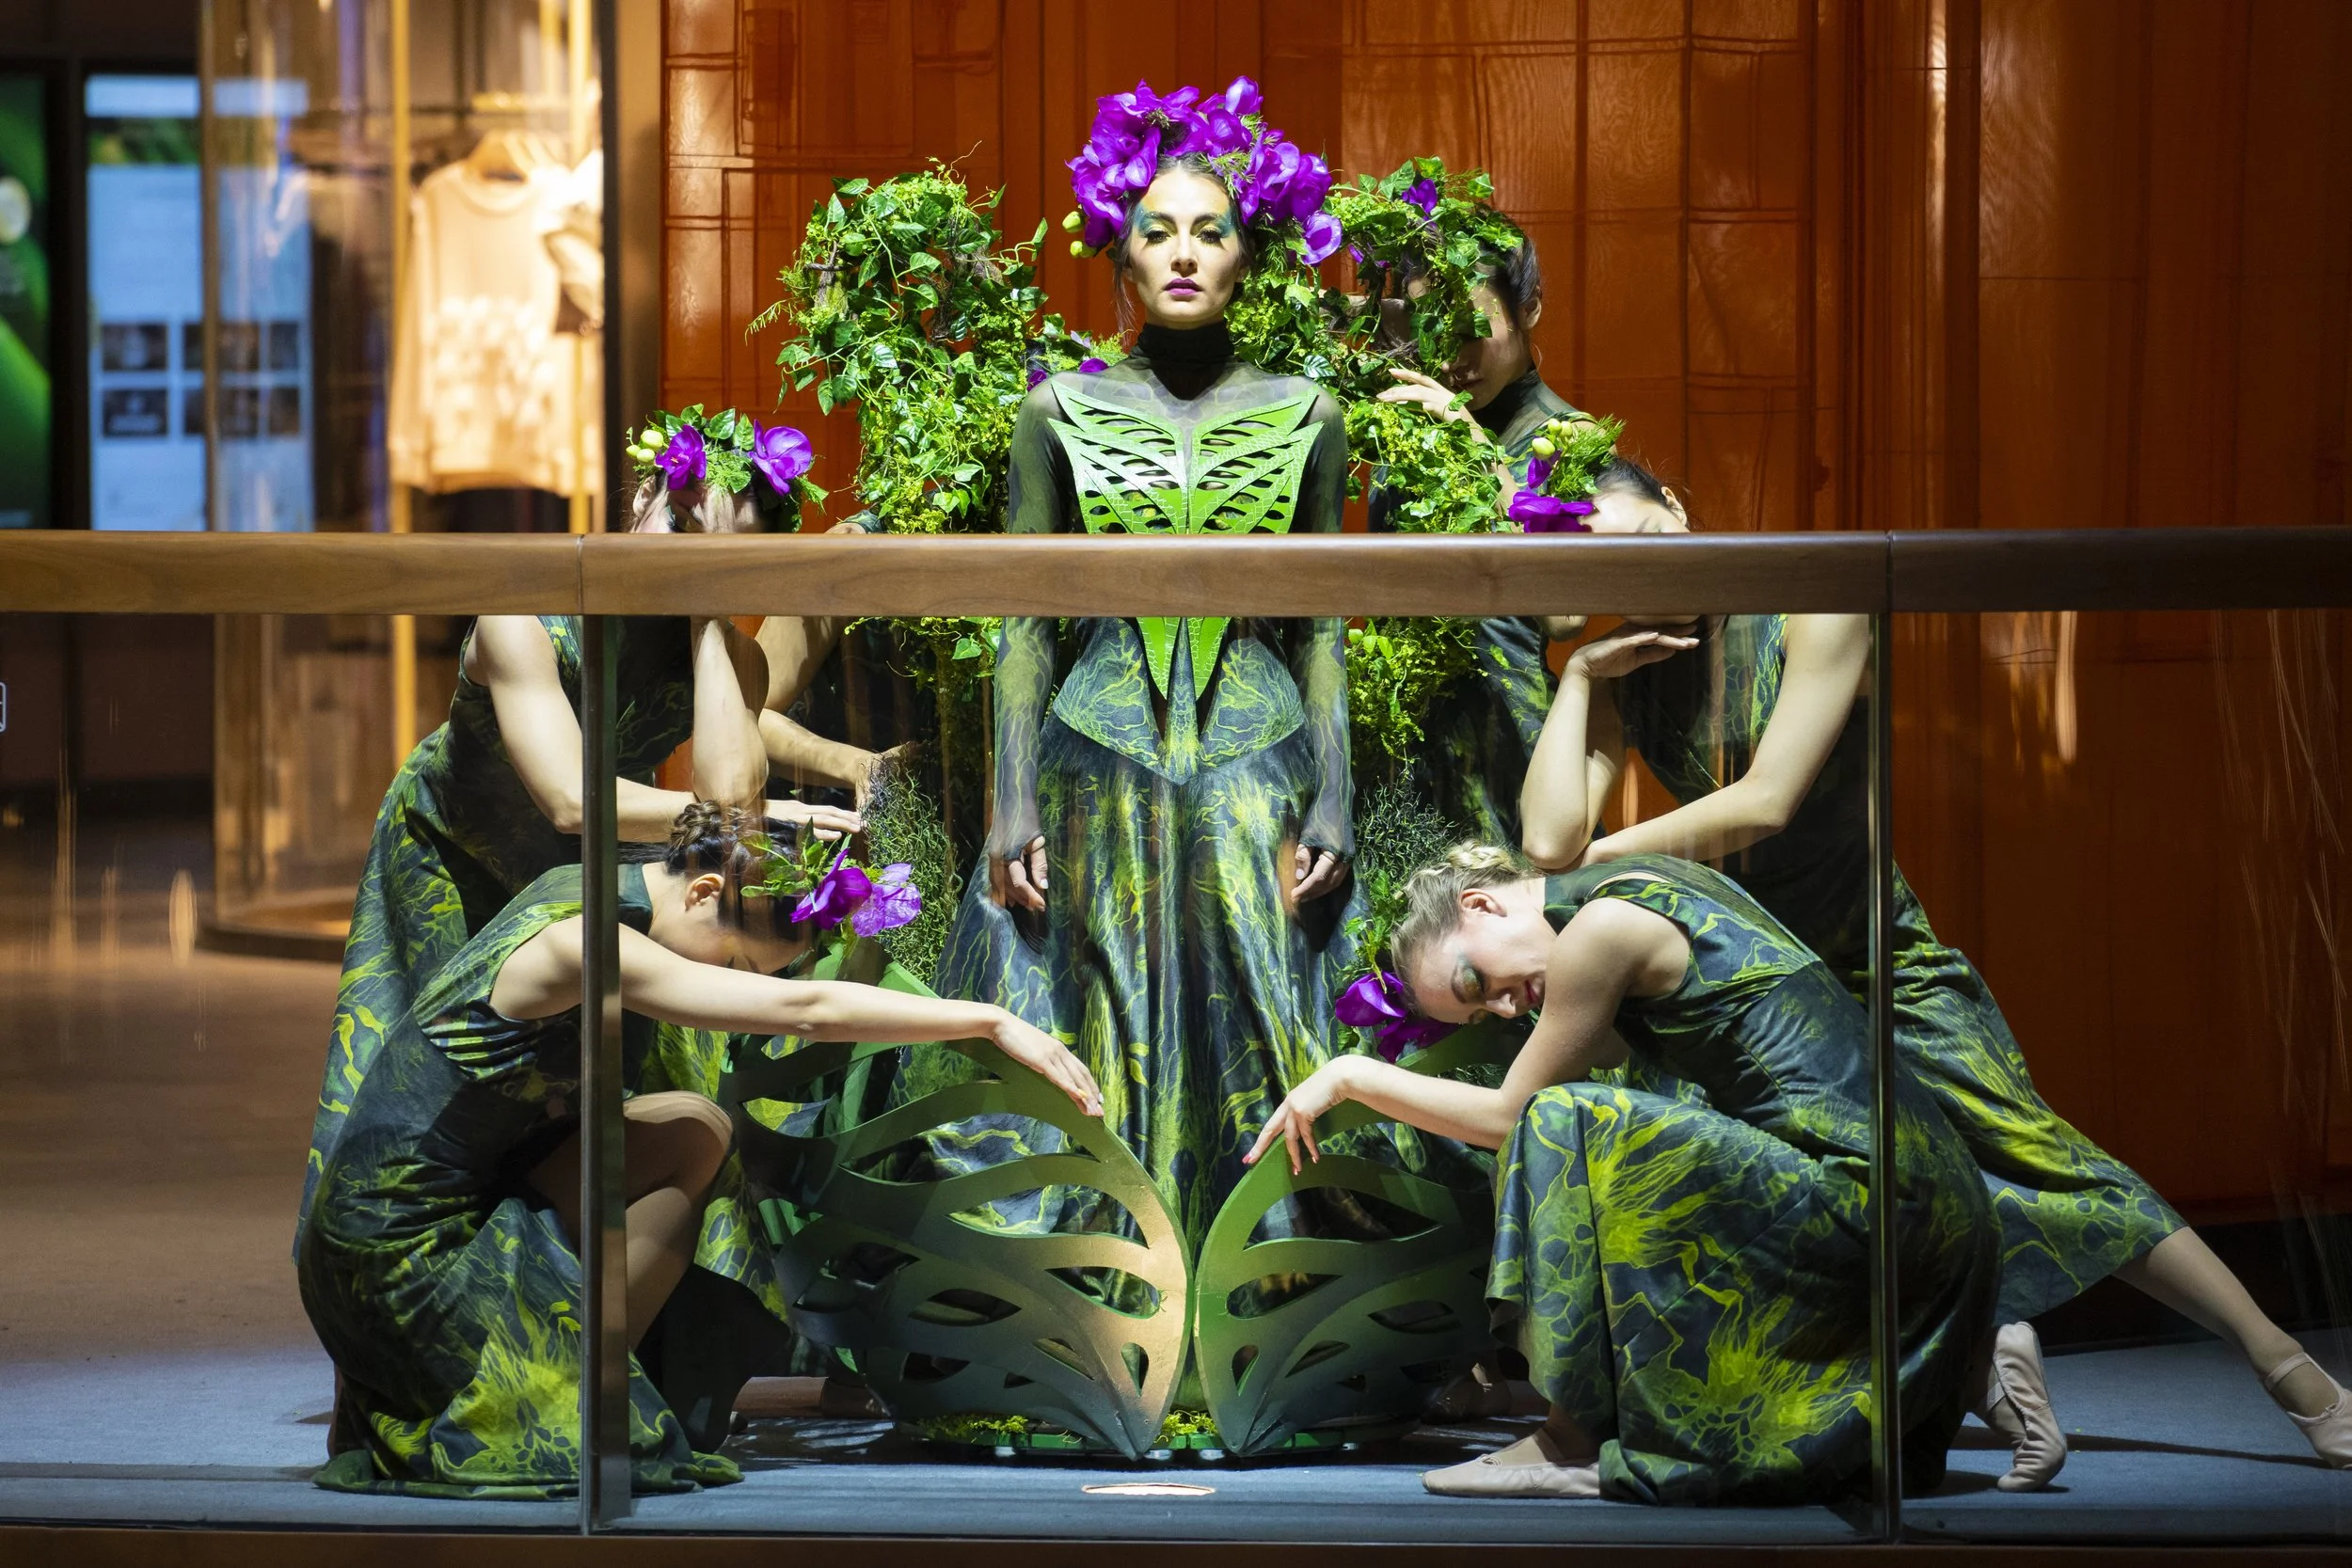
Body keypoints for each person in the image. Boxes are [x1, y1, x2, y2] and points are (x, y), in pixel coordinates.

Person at [1515, 457, 2352, 1478]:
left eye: (1641, 540)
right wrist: (1578, 676)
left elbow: (1766, 799)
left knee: (2045, 1159)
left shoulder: (1812, 604)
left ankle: (2293, 1376)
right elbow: (1549, 834)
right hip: (1756, 989)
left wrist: (1611, 854)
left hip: (1875, 958)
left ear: (1679, 505)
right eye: (1606, 569)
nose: (1638, 576)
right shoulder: (1631, 662)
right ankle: (1988, 1359)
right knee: (1825, 1199)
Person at [298, 803, 1099, 1496]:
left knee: (691, 1127)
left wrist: (783, 828)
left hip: (423, 1206)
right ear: (706, 890)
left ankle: (541, 1372)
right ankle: (570, 1398)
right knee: (694, 1135)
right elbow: (804, 1008)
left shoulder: (602, 884)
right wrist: (991, 1019)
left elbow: (728, 825)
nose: (730, 981)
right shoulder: (582, 943)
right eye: (739, 962)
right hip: (390, 1252)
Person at [1247, 844, 1999, 1505]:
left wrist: (1348, 1075)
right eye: (1486, 1013)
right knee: (1610, 1113)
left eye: (1479, 982)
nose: (1509, 1006)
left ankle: (1570, 1440)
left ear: (1480, 902)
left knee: (1557, 1119)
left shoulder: (1598, 932)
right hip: (1935, 1205)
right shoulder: (1630, 881)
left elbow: (1513, 1115)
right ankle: (1982, 1357)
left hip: (1876, 1197)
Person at [934, 121, 1355, 1249]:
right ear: (1118, 255)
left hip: (1257, 759)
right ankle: (1090, 1295)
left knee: (1265, 1018)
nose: (1181, 253)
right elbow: (1023, 621)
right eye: (1156, 231)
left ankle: (1261, 1299)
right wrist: (1007, 795)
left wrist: (1336, 795)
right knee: (1090, 1014)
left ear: (1244, 257)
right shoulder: (1053, 411)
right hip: (1094, 759)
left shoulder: (1309, 413)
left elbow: (1323, 627)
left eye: (1208, 232)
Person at [297, 607, 862, 1240]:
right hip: (460, 864)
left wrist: (708, 625)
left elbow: (730, 798)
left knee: (595, 1089)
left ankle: (562, 1287)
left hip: (590, 863)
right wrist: (742, 822)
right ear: (649, 498)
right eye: (691, 522)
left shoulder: (733, 654)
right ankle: (407, 1258)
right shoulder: (526, 621)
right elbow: (570, 798)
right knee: (440, 1088)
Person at [1369, 220, 1579, 842]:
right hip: (1399, 757)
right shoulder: (1409, 425)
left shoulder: (1564, 437)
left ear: (1530, 309)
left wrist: (1475, 449)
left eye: (1473, 328)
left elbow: (1567, 616)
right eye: (1432, 328)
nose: (1453, 356)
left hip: (1507, 755)